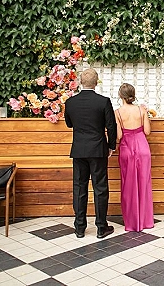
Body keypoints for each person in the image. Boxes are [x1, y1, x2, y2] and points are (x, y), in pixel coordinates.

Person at [64, 68, 117, 239]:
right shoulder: (103, 102)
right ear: (96, 82)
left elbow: (69, 124)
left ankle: (79, 227)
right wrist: (111, 146)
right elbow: (111, 126)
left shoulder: (71, 102)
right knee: (100, 188)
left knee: (79, 187)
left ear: (80, 81)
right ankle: (101, 227)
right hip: (98, 149)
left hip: (79, 149)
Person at [115, 83, 154, 232]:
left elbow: (119, 136)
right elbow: (147, 131)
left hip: (127, 148)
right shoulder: (142, 110)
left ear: (121, 96)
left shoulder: (117, 113)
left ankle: (131, 223)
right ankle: (146, 221)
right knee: (144, 183)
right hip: (143, 147)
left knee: (128, 185)